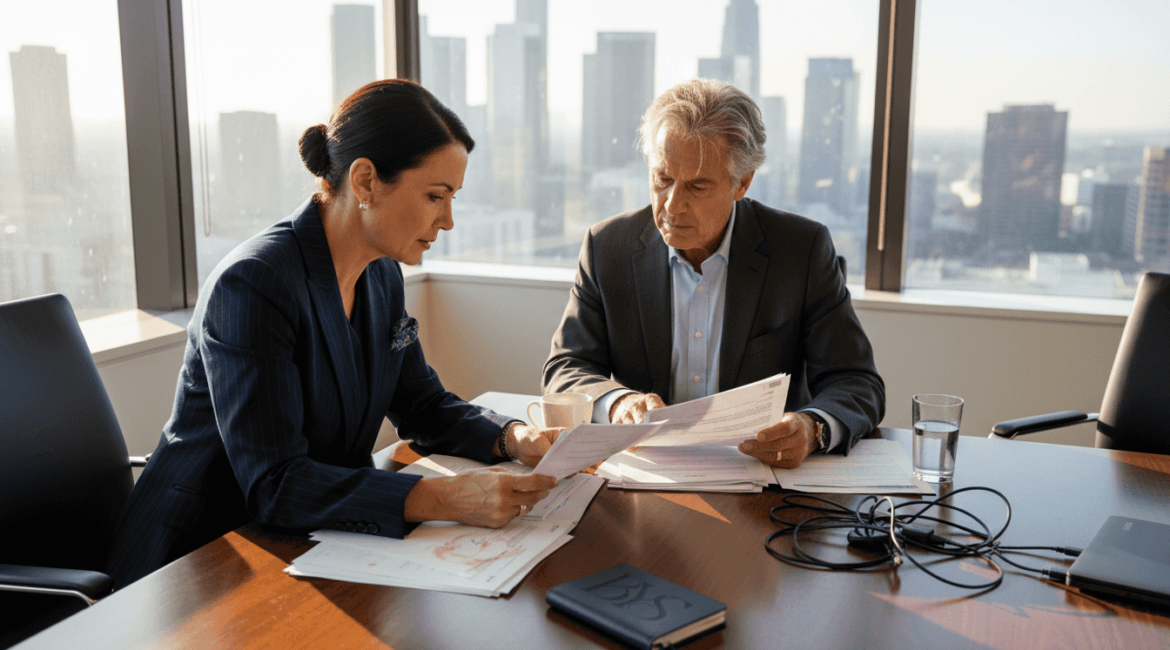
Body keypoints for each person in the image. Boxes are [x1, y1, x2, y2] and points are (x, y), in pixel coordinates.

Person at [108, 80, 559, 589]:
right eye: (436, 196)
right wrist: (442, 498)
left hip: (308, 541)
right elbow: (275, 483)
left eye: (452, 197)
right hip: (199, 560)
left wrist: (514, 438)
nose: (448, 220)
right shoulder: (255, 284)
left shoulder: (380, 274)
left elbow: (421, 404)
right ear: (365, 181)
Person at [543, 79, 884, 469]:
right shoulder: (608, 248)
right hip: (648, 474)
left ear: (742, 182)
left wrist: (812, 428)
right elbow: (566, 368)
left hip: (761, 475)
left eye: (697, 186)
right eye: (662, 179)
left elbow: (857, 382)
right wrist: (618, 402)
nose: (672, 205)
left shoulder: (800, 251)